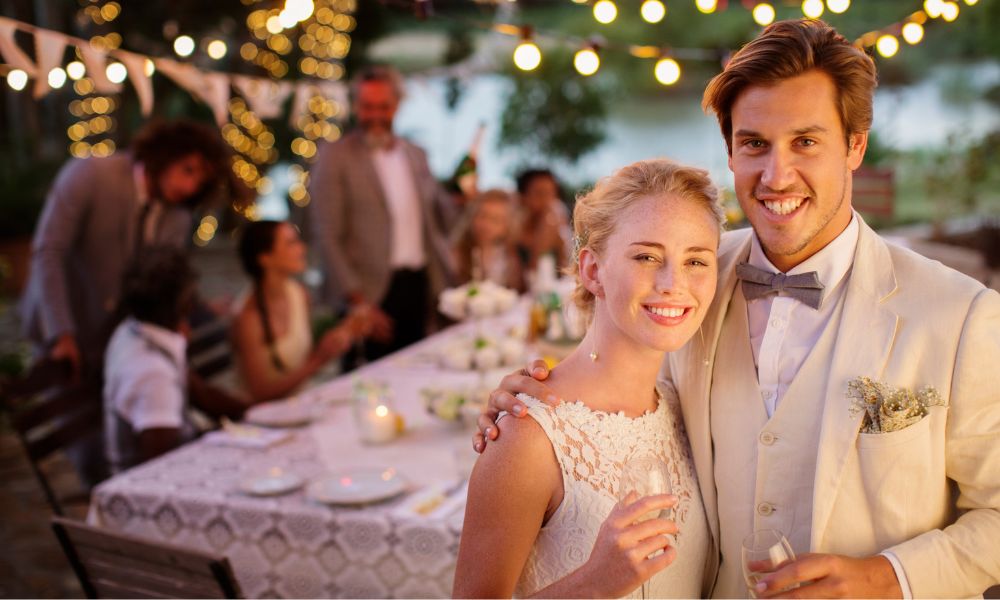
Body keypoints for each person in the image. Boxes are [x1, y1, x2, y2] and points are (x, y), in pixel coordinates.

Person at [477, 19, 1000, 598]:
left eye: (806, 142)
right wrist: (531, 403)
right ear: (730, 151)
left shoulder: (962, 316)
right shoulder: (693, 274)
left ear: (855, 146)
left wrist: (887, 578)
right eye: (754, 144)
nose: (777, 176)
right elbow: (612, 352)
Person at [454, 159, 725, 598]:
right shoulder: (527, 439)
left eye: (696, 260)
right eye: (646, 256)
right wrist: (594, 584)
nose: (674, 283)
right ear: (593, 270)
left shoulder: (683, 409)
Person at [19, 118, 245, 486]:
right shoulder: (92, 175)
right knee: (87, 451)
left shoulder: (176, 216)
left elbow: (163, 278)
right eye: (187, 169)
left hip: (120, 342)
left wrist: (197, 309)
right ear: (163, 153)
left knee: (122, 443)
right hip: (67, 333)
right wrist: (61, 332)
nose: (189, 185)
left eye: (200, 180)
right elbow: (48, 252)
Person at [308, 64, 458, 363]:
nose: (375, 115)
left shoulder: (416, 153)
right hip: (367, 293)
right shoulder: (335, 157)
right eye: (367, 106)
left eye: (383, 107)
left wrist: (463, 197)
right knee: (366, 379)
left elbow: (441, 217)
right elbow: (327, 236)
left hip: (418, 285)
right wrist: (358, 302)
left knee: (417, 369)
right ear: (355, 106)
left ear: (397, 105)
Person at [104, 247, 248, 474]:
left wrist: (257, 413)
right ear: (182, 303)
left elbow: (202, 396)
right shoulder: (151, 371)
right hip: (155, 478)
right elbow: (161, 466)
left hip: (181, 455)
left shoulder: (134, 330)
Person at [231, 220, 369, 402]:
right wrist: (319, 360)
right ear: (265, 258)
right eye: (291, 243)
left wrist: (345, 331)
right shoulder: (248, 317)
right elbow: (260, 393)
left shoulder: (298, 293)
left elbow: (305, 355)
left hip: (303, 400)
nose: (302, 248)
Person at [453, 188, 523, 291]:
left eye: (496, 220)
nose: (486, 225)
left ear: (507, 226)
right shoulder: (456, 254)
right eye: (482, 216)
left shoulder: (509, 258)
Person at [515, 168, 571, 276]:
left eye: (552, 193)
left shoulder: (561, 230)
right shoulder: (512, 235)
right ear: (523, 197)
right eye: (539, 194)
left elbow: (568, 274)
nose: (547, 201)